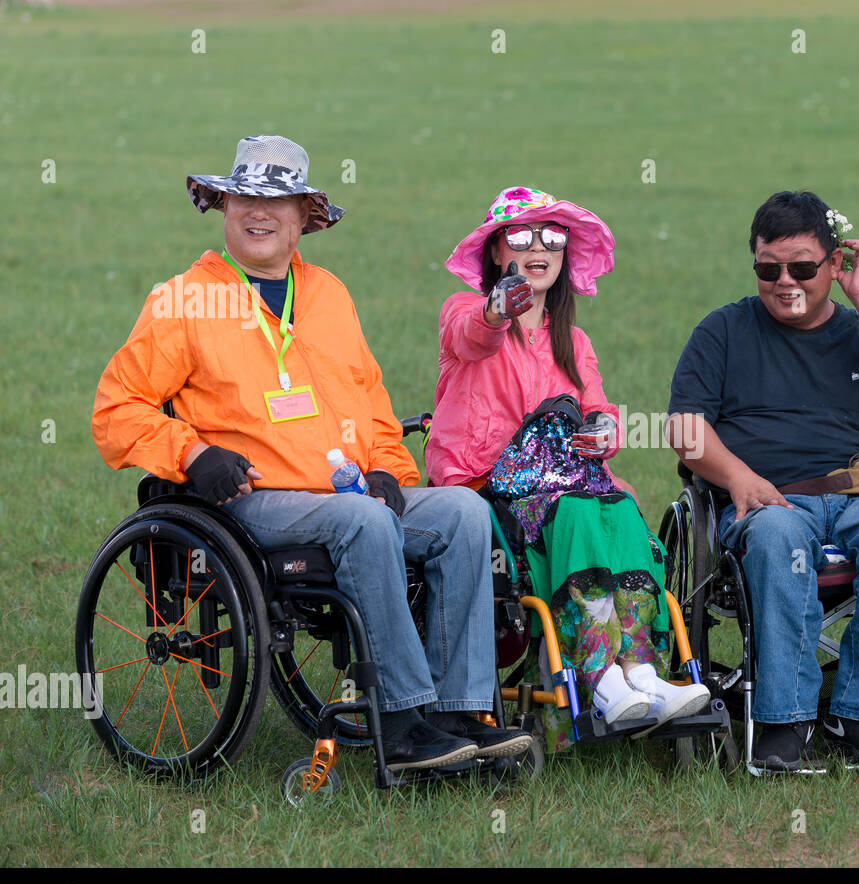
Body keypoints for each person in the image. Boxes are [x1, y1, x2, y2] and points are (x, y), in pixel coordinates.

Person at [91, 134, 530, 771]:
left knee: (462, 511)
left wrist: (388, 467)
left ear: (304, 218)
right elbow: (115, 409)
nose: (257, 213)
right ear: (224, 208)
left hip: (345, 493)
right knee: (366, 520)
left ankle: (458, 712)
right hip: (253, 500)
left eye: (276, 202)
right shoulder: (184, 299)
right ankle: (403, 724)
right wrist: (190, 453)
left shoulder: (328, 294)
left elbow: (372, 403)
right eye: (243, 199)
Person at [430, 186, 710, 751]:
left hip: (567, 483)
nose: (540, 248)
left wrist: (606, 429)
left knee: (622, 506)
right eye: (523, 237)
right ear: (494, 252)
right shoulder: (464, 311)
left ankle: (642, 671)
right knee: (584, 508)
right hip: (490, 482)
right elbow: (473, 335)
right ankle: (601, 677)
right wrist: (498, 307)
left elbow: (598, 406)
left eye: (553, 238)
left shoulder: (572, 342)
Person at [667, 190, 859, 770]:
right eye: (769, 268)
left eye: (804, 267)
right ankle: (785, 719)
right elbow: (687, 432)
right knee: (776, 537)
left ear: (834, 264)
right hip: (767, 494)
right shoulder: (723, 331)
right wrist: (738, 477)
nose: (785, 281)